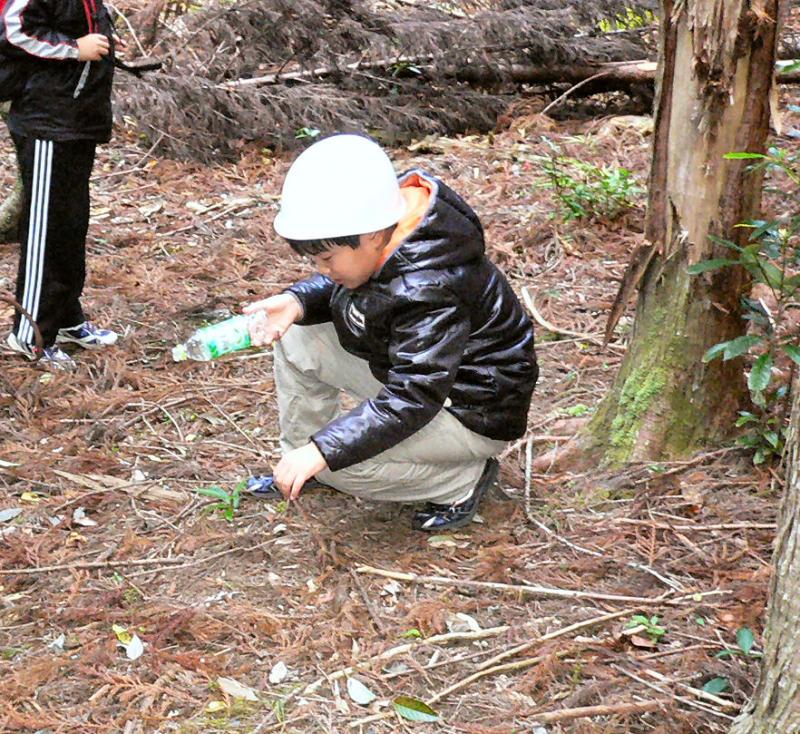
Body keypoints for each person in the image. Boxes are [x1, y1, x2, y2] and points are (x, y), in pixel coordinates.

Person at [244, 134, 538, 531]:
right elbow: (361, 285)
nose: (321, 269)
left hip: (470, 410)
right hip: (424, 379)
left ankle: (460, 481)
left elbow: (415, 394)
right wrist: (299, 302)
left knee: (339, 466)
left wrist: (326, 451)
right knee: (298, 337)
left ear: (372, 234)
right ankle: (298, 465)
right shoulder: (394, 238)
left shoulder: (430, 286)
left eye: (327, 258)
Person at [0, 0, 122, 369]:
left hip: (76, 116)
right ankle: (30, 333)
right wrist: (75, 49)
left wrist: (105, 44)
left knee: (70, 225)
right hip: (47, 117)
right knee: (46, 230)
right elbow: (14, 29)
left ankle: (65, 318)